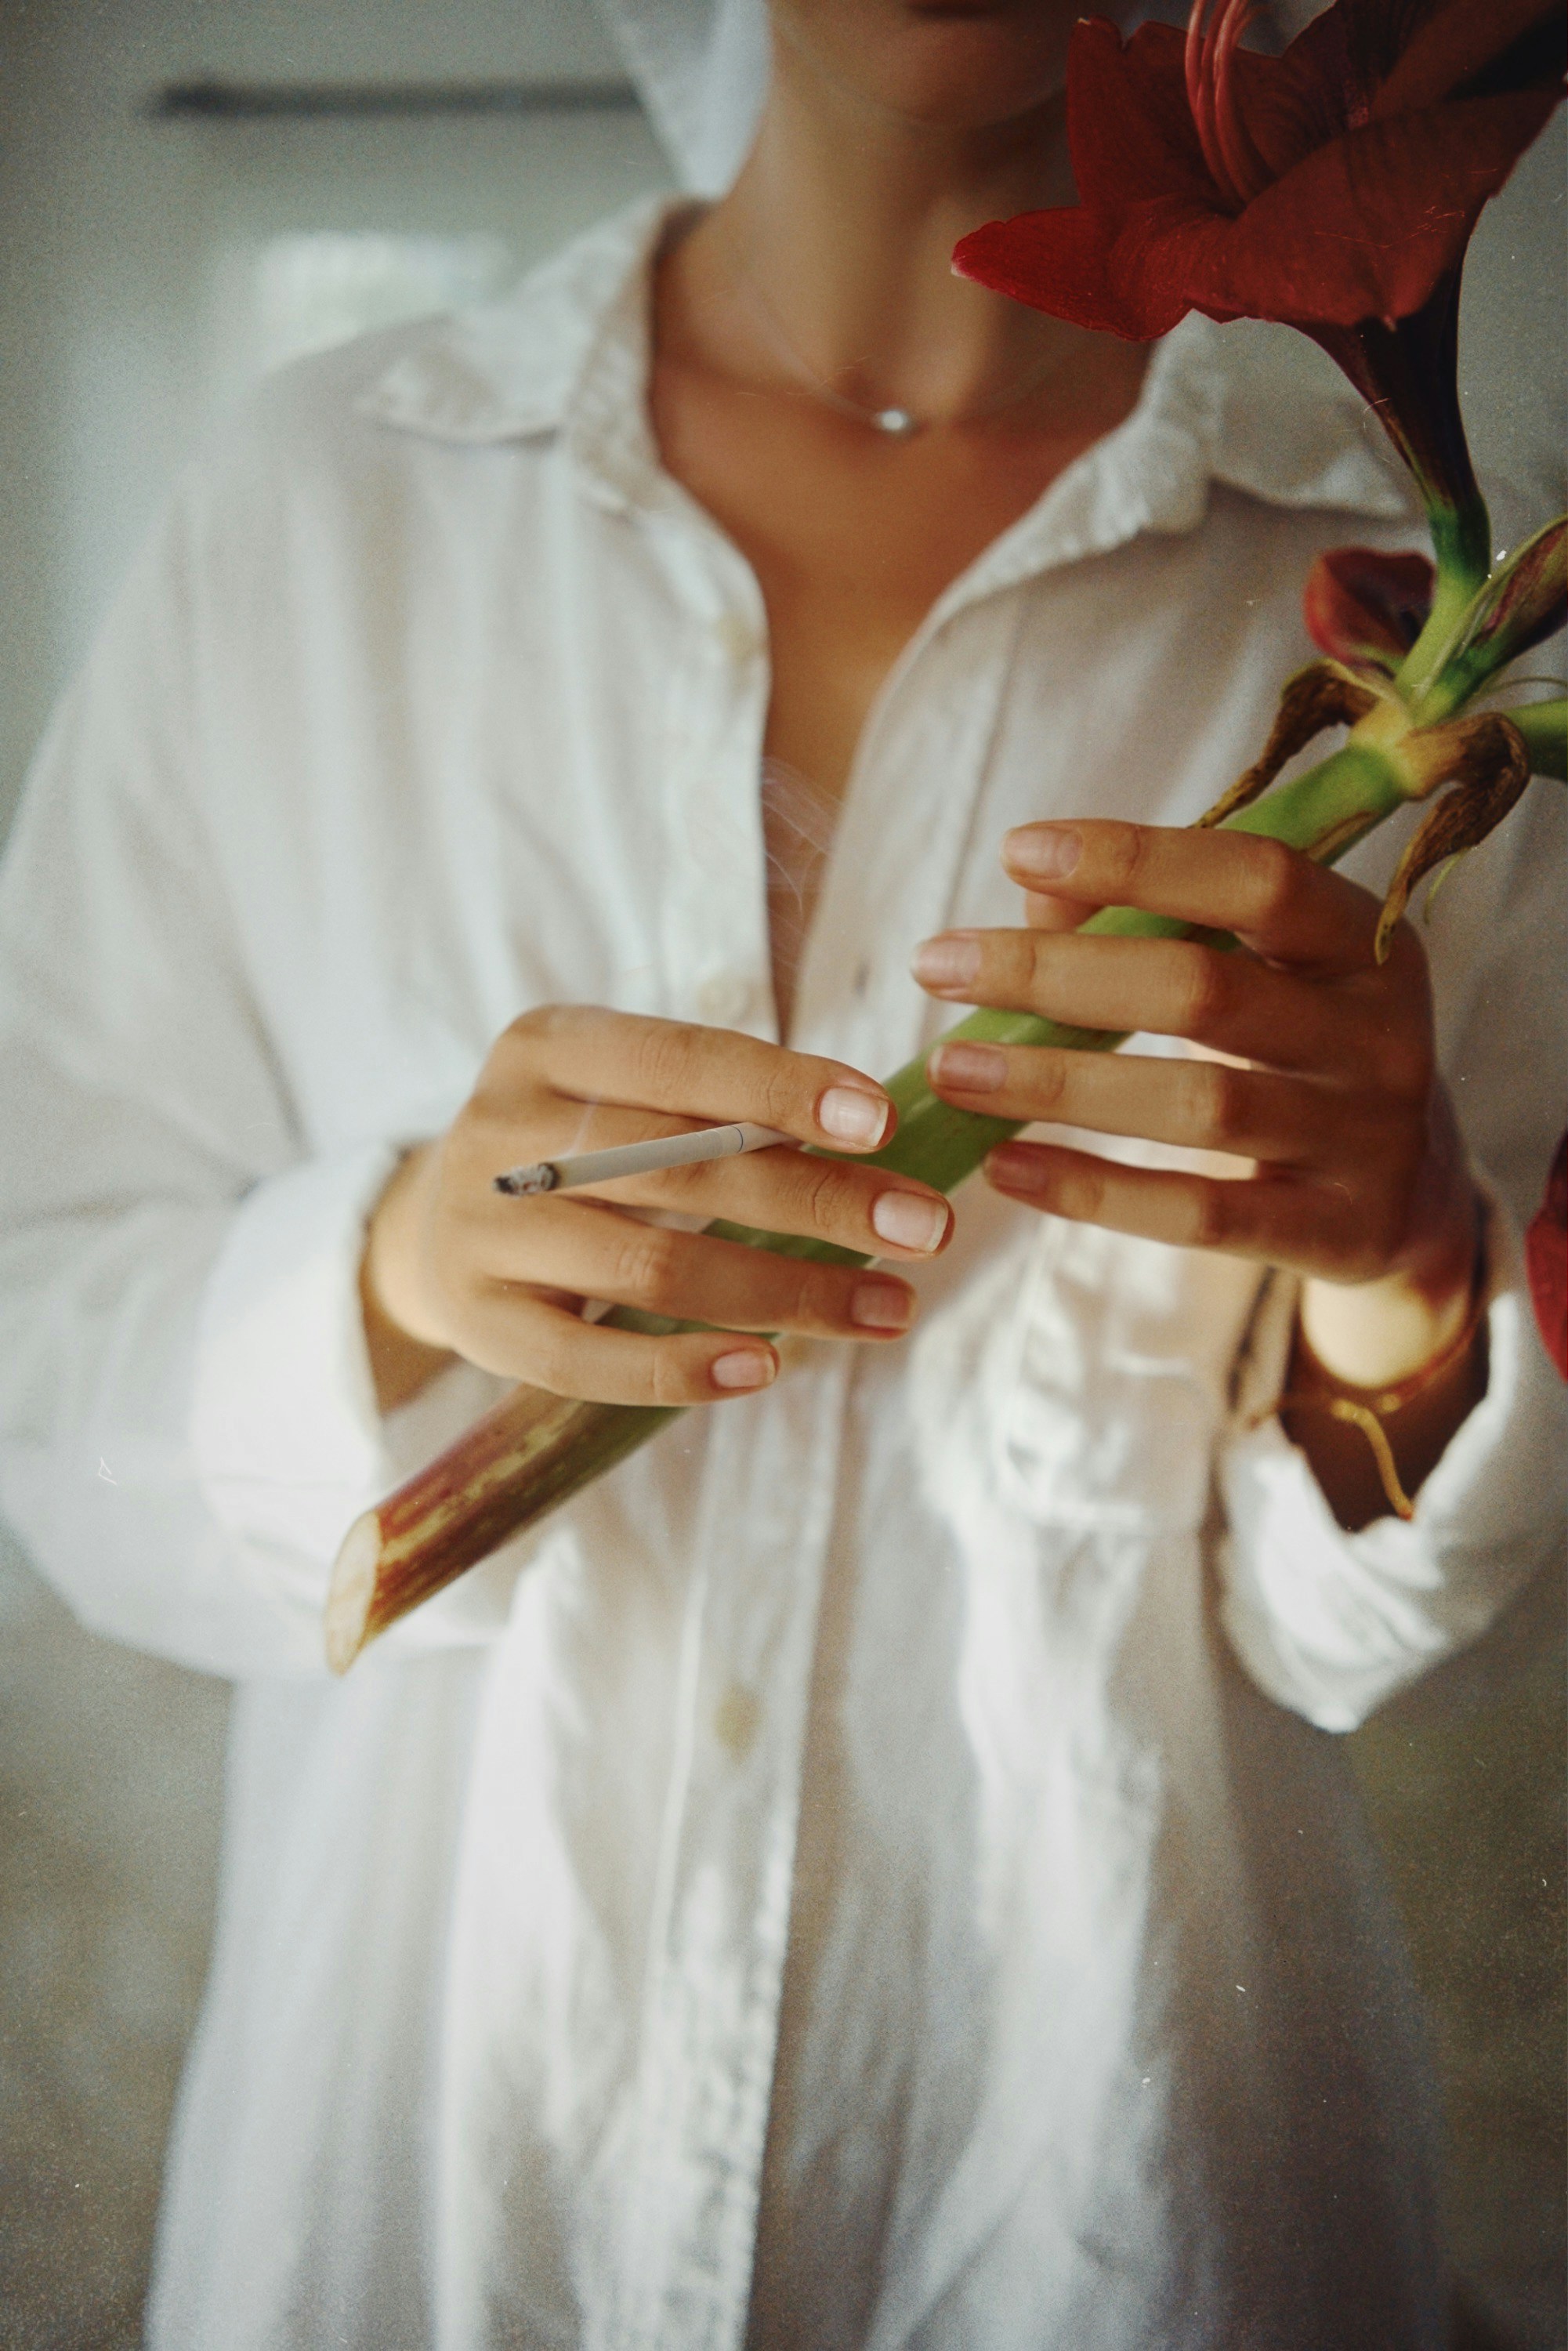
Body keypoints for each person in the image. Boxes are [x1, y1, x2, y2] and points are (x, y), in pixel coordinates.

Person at [0, 0, 1562, 2343]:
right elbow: (45, 1369)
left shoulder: (1394, 622)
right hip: (424, 2195)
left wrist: (1397, 1259)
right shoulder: (317, 502)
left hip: (1101, 2195)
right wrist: (397, 1260)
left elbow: (1379, 1642)